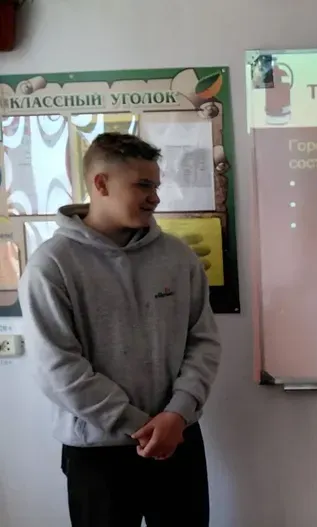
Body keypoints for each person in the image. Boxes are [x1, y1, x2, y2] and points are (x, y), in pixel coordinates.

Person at [18, 132, 222, 527]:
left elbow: (203, 342)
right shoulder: (51, 265)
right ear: (101, 184)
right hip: (97, 452)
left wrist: (177, 415)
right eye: (143, 185)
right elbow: (58, 367)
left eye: (156, 186)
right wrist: (139, 426)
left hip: (177, 438)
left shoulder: (177, 257)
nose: (155, 198)